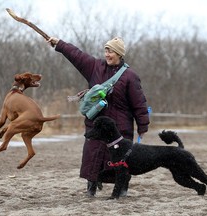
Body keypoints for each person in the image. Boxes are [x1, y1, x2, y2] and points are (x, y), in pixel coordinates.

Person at [48, 36, 150, 196]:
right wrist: (59, 44)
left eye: (112, 51)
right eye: (106, 50)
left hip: (119, 127)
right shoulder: (95, 66)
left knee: (121, 158)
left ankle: (122, 188)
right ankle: (91, 188)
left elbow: (139, 104)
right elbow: (77, 55)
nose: (108, 54)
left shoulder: (130, 76)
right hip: (96, 123)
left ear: (120, 54)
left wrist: (142, 125)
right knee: (93, 154)